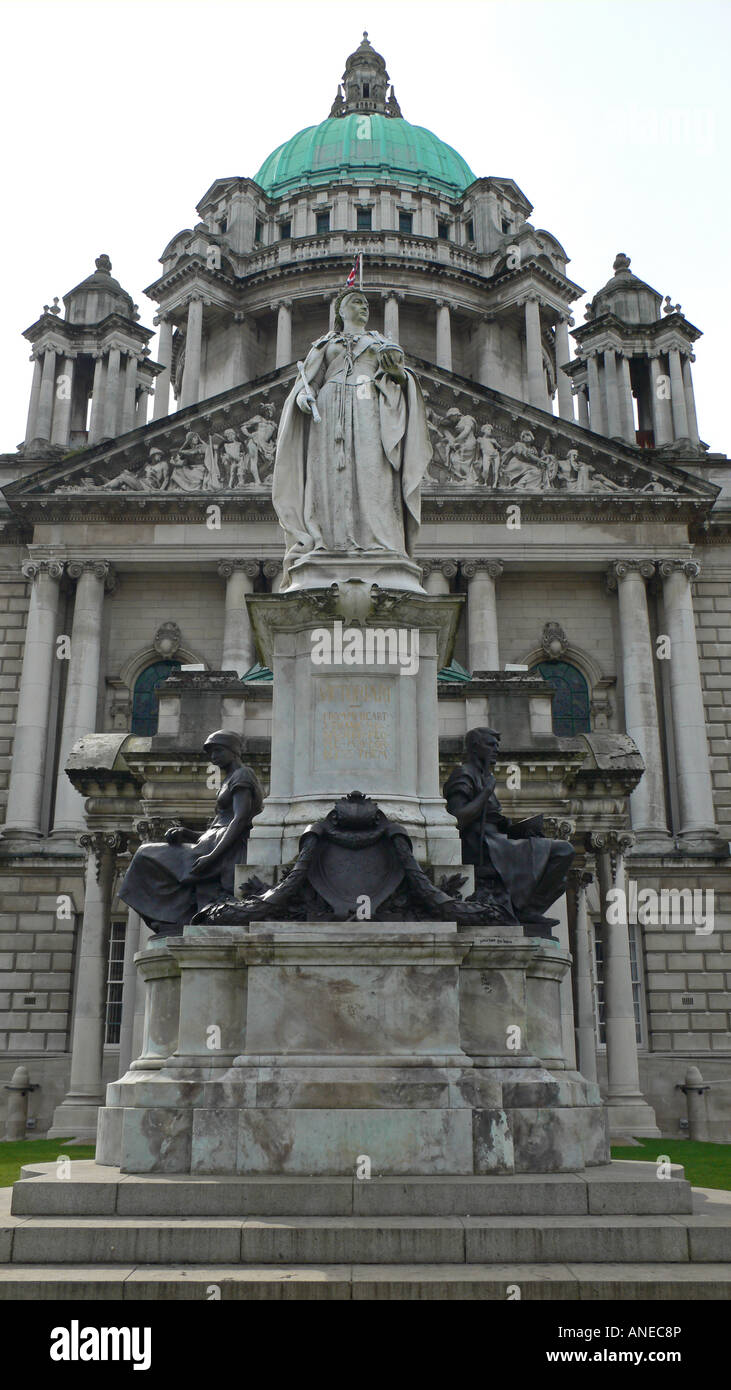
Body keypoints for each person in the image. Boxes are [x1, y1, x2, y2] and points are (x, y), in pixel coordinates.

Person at [272, 287, 431, 586]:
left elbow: (401, 376)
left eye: (367, 303)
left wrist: (398, 374)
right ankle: (328, 540)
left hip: (370, 409)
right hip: (329, 413)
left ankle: (379, 541)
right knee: (329, 476)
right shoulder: (323, 345)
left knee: (374, 473)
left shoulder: (380, 342)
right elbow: (308, 382)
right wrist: (304, 398)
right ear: (340, 311)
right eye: (356, 302)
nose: (364, 307)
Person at [118, 730, 263, 936]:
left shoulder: (243, 775)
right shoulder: (230, 779)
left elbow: (240, 820)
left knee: (144, 855)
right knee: (147, 855)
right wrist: (186, 833)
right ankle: (172, 919)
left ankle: (171, 918)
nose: (213, 757)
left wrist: (212, 857)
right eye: (211, 752)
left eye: (218, 751)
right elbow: (215, 828)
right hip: (211, 844)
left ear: (234, 751)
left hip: (226, 852)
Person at [443, 726, 574, 933]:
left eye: (497, 745)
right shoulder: (464, 774)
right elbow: (457, 818)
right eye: (490, 745)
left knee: (561, 877)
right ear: (475, 747)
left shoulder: (484, 776)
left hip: (497, 841)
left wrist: (518, 828)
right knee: (563, 851)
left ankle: (527, 910)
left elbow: (491, 817)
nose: (496, 749)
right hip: (483, 846)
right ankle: (525, 909)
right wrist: (486, 791)